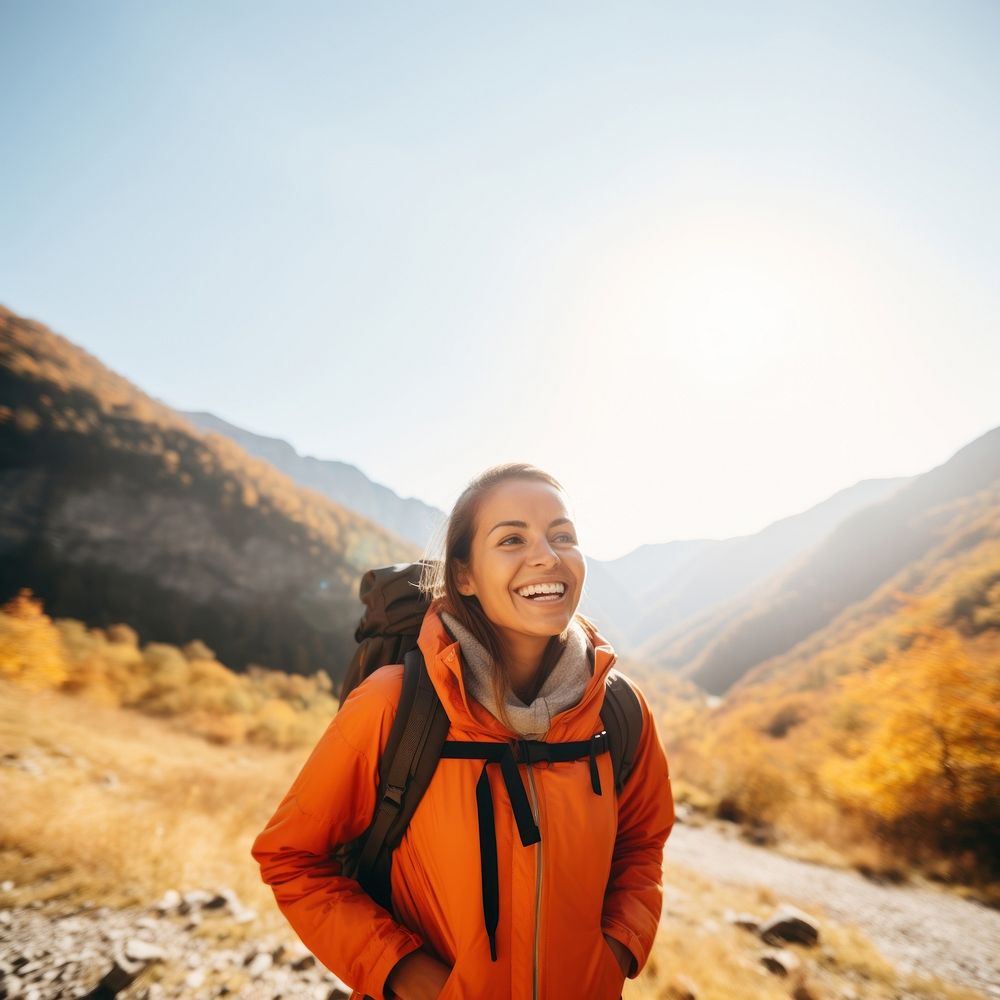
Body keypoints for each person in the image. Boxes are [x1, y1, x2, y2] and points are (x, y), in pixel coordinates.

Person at [251, 463, 675, 1000]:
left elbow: (642, 844)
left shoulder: (619, 710)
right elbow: (291, 858)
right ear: (466, 575)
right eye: (512, 538)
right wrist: (404, 973)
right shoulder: (393, 703)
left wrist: (615, 951)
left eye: (562, 535)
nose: (547, 554)